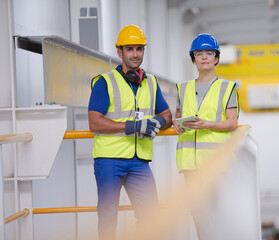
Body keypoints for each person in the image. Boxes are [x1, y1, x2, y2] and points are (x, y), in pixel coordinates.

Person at [88, 24, 172, 240]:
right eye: (130, 49)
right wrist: (132, 126)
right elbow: (94, 123)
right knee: (108, 217)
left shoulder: (151, 82)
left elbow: (167, 114)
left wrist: (157, 122)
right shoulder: (104, 82)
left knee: (151, 216)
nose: (135, 54)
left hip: (139, 161)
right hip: (109, 159)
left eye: (139, 49)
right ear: (120, 52)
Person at [172, 33, 240, 240]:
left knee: (214, 211)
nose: (204, 57)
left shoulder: (227, 88)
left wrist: (207, 124)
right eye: (199, 54)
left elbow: (232, 122)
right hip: (190, 162)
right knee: (197, 212)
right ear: (193, 59)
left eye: (209, 53)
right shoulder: (182, 88)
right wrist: (177, 124)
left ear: (216, 58)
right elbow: (178, 117)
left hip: (214, 161)